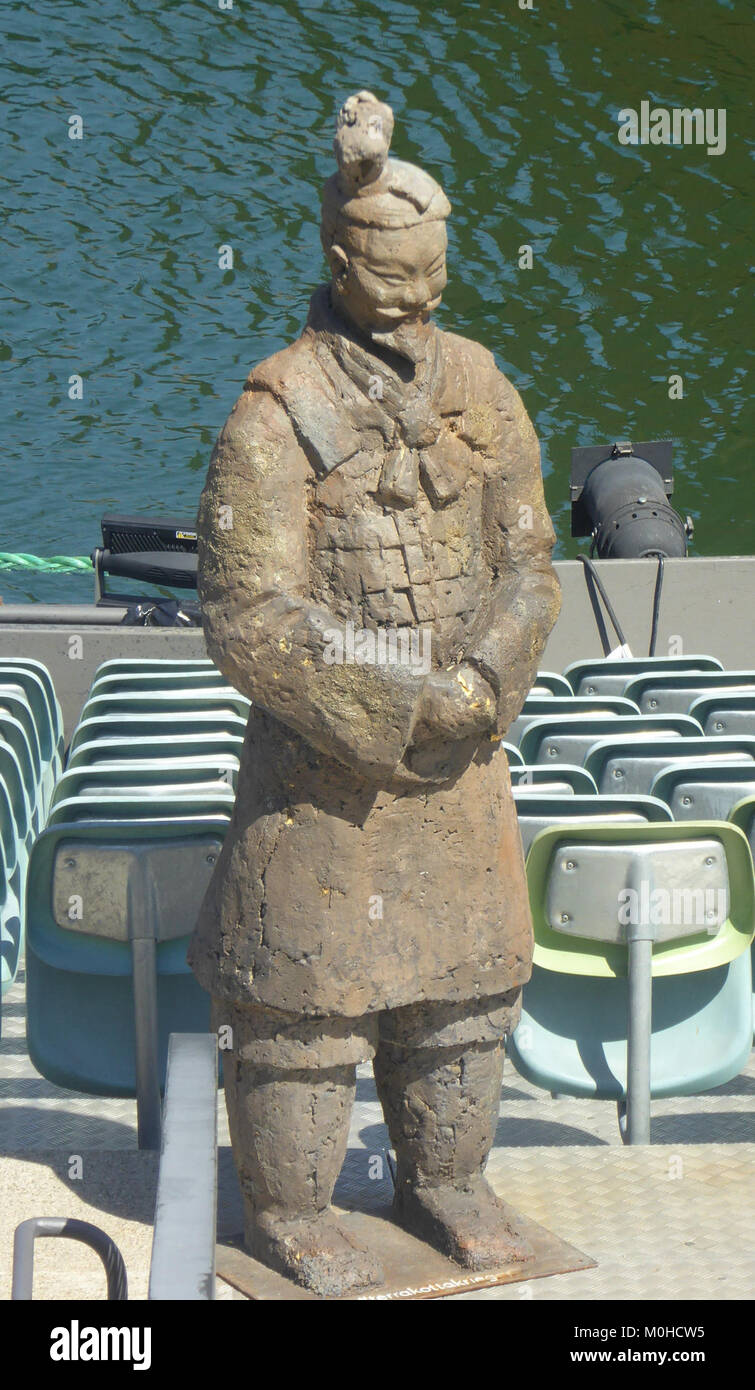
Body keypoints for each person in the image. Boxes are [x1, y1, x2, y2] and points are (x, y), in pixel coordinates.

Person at [189, 90, 561, 1296]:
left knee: (462, 1003)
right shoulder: (276, 409)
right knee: (306, 1017)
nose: (418, 296)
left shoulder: (485, 388)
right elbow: (251, 612)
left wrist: (484, 678)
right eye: (392, 273)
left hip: (463, 771)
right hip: (321, 781)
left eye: (433, 270)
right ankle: (291, 1209)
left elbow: (527, 561)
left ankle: (447, 1181)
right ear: (340, 260)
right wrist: (412, 693)